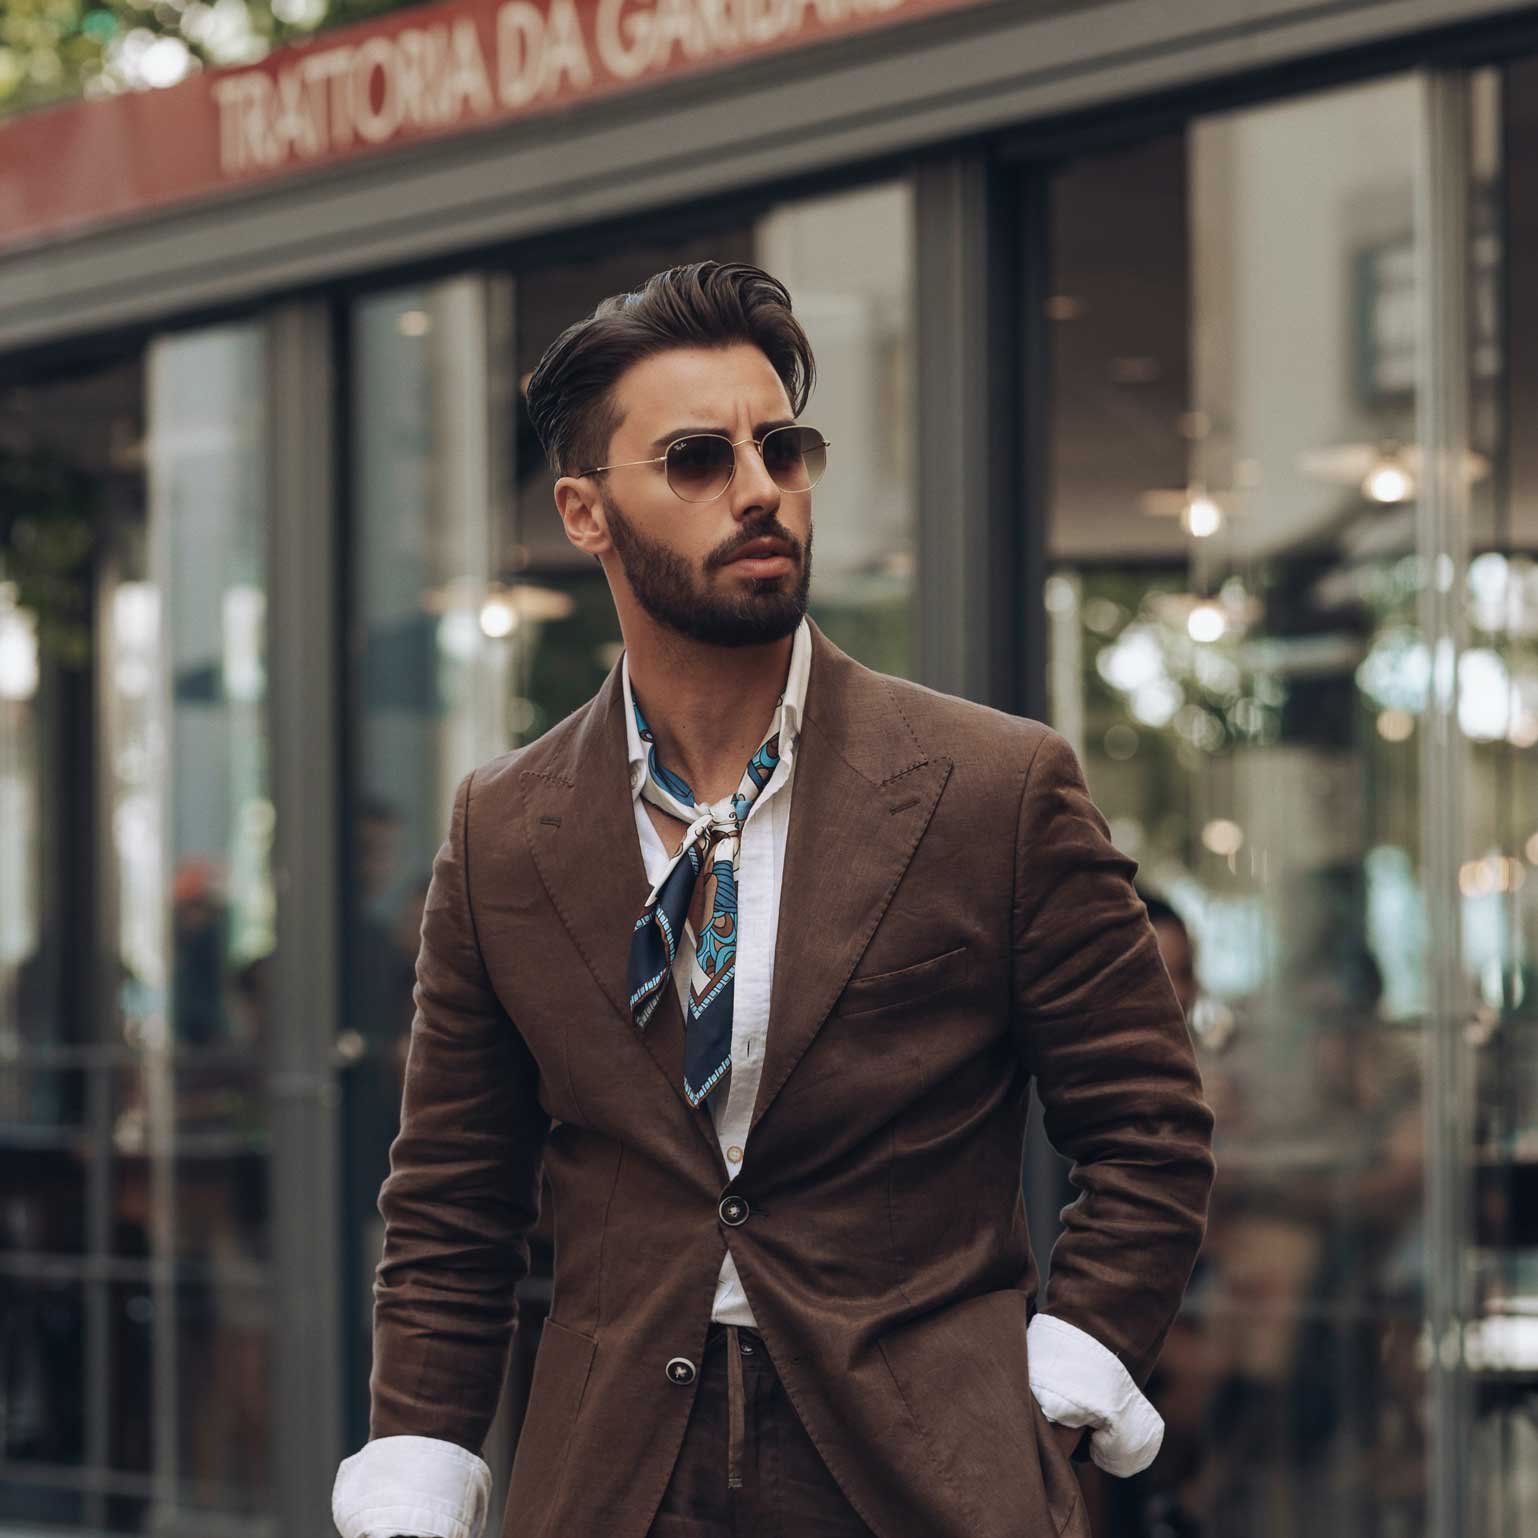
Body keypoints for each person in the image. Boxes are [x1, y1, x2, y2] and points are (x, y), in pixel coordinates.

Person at [331, 261, 1215, 1538]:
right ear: (585, 511)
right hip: (614, 1476)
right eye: (696, 458)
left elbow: (1146, 1126)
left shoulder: (990, 786)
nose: (758, 488)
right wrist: (417, 1464)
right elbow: (453, 1203)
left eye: (781, 448)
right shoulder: (504, 829)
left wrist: (1052, 1388)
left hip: (920, 1475)